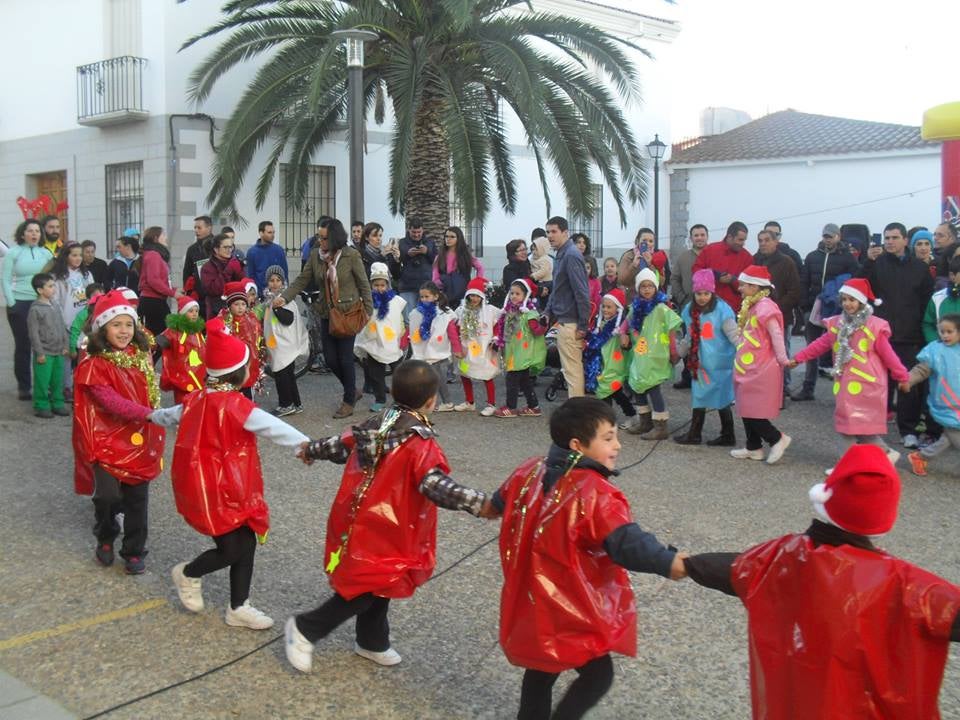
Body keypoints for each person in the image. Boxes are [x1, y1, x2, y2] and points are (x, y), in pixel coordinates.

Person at [684, 443, 960, 720]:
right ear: (885, 519)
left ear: (826, 500)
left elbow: (733, 569)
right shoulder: (909, 585)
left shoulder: (782, 558)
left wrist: (683, 563)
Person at [484, 397, 686, 720]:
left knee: (541, 668)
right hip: (572, 607)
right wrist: (667, 561)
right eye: (608, 438)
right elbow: (626, 541)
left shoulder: (530, 470)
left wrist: (482, 506)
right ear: (577, 445)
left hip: (534, 601)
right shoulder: (594, 492)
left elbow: (497, 500)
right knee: (597, 675)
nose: (618, 445)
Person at [283, 360, 489, 673]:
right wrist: (479, 503)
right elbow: (435, 485)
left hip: (362, 516)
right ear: (431, 401)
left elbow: (342, 444)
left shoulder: (380, 421)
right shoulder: (420, 443)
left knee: (382, 581)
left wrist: (312, 449)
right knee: (366, 586)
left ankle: (372, 640)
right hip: (385, 527)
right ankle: (306, 628)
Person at [151, 318, 309, 630]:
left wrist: (149, 416)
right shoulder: (235, 403)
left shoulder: (195, 398)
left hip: (213, 487)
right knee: (232, 547)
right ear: (239, 372)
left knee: (245, 543)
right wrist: (307, 445)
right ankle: (188, 573)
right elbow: (272, 426)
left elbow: (171, 415)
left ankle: (238, 606)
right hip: (220, 490)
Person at [72, 290, 167, 574]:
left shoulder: (141, 357)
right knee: (108, 497)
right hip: (106, 440)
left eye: (128, 324)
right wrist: (150, 414)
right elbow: (110, 401)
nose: (124, 331)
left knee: (138, 500)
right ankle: (105, 533)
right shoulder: (94, 363)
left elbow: (150, 392)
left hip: (138, 439)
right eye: (116, 325)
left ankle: (134, 550)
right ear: (103, 327)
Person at [790, 279, 907, 472]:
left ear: (862, 302)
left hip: (868, 383)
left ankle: (848, 465)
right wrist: (800, 357)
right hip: (847, 381)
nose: (847, 304)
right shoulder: (838, 323)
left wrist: (902, 376)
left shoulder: (874, 326)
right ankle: (885, 454)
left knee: (854, 425)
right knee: (852, 424)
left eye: (852, 299)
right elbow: (821, 344)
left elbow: (889, 355)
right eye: (844, 299)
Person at [280, 218, 373, 419]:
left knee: (345, 358)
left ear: (334, 238)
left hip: (348, 312)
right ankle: (352, 389)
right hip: (326, 313)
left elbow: (364, 284)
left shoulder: (351, 255)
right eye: (319, 237)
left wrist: (368, 310)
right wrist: (284, 297)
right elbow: (301, 280)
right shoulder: (315, 256)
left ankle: (348, 400)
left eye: (324, 238)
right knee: (330, 359)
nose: (320, 241)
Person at [859, 221, 936, 449]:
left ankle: (908, 430)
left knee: (907, 386)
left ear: (905, 240)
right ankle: (872, 428)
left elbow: (926, 302)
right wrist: (867, 262)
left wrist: (922, 332)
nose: (890, 242)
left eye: (894, 238)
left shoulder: (920, 268)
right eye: (887, 238)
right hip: (881, 335)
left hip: (910, 336)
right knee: (878, 383)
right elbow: (858, 288)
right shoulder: (877, 263)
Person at [730, 265, 792, 464]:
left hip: (761, 366)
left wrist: (783, 359)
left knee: (753, 408)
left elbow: (776, 335)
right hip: (747, 366)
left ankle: (776, 438)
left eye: (743, 285)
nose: (739, 288)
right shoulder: (751, 305)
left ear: (755, 286)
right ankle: (753, 447)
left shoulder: (766, 308)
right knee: (745, 406)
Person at [791, 223, 860, 401]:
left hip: (838, 310)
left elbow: (855, 281)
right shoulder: (813, 257)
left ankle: (847, 390)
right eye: (825, 236)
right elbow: (803, 281)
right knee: (812, 348)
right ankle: (808, 388)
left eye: (831, 236)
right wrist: (805, 304)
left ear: (838, 236)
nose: (828, 239)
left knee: (843, 349)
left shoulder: (848, 258)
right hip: (814, 309)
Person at [674, 270, 739, 446]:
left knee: (722, 398)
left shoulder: (722, 311)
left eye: (706, 293)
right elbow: (688, 337)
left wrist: (744, 354)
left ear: (712, 292)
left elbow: (734, 336)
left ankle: (726, 434)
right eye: (699, 294)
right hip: (700, 363)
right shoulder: (690, 310)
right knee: (699, 396)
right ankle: (696, 433)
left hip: (720, 363)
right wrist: (678, 355)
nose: (702, 297)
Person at [622, 268, 682, 439]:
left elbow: (671, 331)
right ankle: (645, 421)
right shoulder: (636, 307)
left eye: (650, 286)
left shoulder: (662, 309)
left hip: (656, 356)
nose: (647, 289)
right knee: (638, 387)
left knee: (653, 388)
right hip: (640, 356)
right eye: (643, 286)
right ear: (638, 289)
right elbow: (626, 324)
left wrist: (673, 351)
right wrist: (622, 334)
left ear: (656, 288)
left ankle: (661, 426)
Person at [904, 314, 960, 477]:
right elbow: (921, 370)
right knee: (954, 434)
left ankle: (920, 457)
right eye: (942, 332)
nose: (945, 335)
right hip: (946, 402)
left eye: (950, 332)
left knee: (950, 437)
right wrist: (908, 380)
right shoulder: (934, 351)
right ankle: (920, 456)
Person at [4, 220, 54, 398]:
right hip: (20, 303)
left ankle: (44, 386)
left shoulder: (46, 254)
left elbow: (52, 279)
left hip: (42, 303)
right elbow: (5, 280)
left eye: (37, 231)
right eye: (30, 231)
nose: (34, 234)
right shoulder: (13, 253)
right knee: (24, 345)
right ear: (22, 234)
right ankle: (24, 387)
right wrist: (12, 304)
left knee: (44, 345)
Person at [544, 216, 591, 397]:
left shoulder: (571, 255)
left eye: (554, 231)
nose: (550, 236)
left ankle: (577, 415)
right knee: (570, 371)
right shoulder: (561, 254)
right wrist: (548, 311)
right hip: (564, 322)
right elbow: (557, 288)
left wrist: (583, 325)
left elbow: (582, 293)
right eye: (548, 232)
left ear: (565, 232)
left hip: (571, 324)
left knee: (573, 372)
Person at [752, 228, 801, 394]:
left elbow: (794, 291)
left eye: (767, 240)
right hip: (756, 317)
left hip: (781, 316)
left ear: (775, 242)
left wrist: (774, 309)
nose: (763, 243)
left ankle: (783, 385)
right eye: (760, 240)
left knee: (782, 350)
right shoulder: (755, 261)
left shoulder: (787, 262)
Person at [354, 263, 407, 412]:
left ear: (388, 285)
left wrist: (402, 334)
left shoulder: (396, 301)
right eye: (376, 285)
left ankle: (401, 399)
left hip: (392, 343)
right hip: (374, 343)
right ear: (371, 285)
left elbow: (399, 319)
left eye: (382, 285)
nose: (379, 288)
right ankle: (380, 398)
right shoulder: (367, 301)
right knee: (376, 374)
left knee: (398, 373)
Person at [493, 278, 547, 417]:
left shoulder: (528, 314)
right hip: (513, 353)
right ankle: (534, 406)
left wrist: (543, 324)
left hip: (522, 354)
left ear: (526, 296)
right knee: (524, 381)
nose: (514, 296)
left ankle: (511, 407)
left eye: (518, 294)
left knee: (511, 380)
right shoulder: (510, 312)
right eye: (512, 293)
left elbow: (537, 331)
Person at [584, 288, 636, 428]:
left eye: (609, 307)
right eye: (604, 306)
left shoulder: (620, 326)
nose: (605, 310)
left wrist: (624, 340)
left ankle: (628, 415)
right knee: (606, 392)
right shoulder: (600, 323)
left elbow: (627, 343)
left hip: (615, 364)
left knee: (613, 392)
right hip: (602, 364)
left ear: (617, 308)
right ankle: (608, 419)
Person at [50, 241, 94, 401]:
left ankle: (83, 385)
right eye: (74, 255)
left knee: (84, 355)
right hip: (66, 322)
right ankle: (66, 387)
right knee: (68, 356)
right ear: (65, 256)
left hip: (85, 323)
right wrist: (60, 322)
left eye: (80, 255)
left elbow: (93, 296)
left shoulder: (87, 275)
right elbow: (55, 301)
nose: (78, 258)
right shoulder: (58, 277)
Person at [408, 281, 459, 412]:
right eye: (422, 297)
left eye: (427, 296)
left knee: (437, 377)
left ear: (436, 296)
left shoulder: (443, 313)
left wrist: (456, 348)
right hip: (422, 350)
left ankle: (447, 402)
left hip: (434, 350)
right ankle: (425, 401)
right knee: (424, 377)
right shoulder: (416, 313)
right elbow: (411, 329)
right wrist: (404, 342)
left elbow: (451, 331)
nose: (424, 299)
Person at [263, 266, 308, 416]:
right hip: (278, 344)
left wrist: (277, 308)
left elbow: (288, 319)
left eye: (278, 280)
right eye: (271, 280)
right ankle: (296, 403)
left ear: (283, 282)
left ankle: (286, 404)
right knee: (288, 375)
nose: (275, 283)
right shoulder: (270, 299)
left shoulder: (285, 299)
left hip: (284, 344)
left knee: (282, 375)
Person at [454, 277, 501, 416]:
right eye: (471, 295)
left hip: (484, 347)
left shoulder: (490, 311)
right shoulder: (462, 310)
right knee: (464, 373)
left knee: (487, 374)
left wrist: (496, 338)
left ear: (482, 296)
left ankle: (491, 404)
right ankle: (469, 402)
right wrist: (457, 344)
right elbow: (456, 327)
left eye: (477, 295)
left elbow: (497, 325)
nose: (474, 298)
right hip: (466, 348)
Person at [27, 273, 71, 419]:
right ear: (40, 290)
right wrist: (39, 353)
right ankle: (41, 405)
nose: (54, 289)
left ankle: (57, 403)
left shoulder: (55, 305)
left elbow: (62, 325)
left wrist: (65, 344)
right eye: (50, 286)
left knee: (57, 379)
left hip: (58, 351)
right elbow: (33, 334)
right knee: (42, 381)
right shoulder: (35, 309)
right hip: (44, 353)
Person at [691, 221, 753, 312]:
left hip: (734, 310)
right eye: (740, 240)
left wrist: (733, 280)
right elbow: (696, 271)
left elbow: (750, 285)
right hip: (708, 308)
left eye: (744, 240)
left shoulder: (747, 258)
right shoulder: (710, 250)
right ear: (730, 237)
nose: (743, 243)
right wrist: (715, 277)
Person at [155, 296, 207, 404]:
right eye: (190, 311)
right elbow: (161, 340)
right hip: (182, 377)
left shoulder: (197, 332)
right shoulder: (175, 331)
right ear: (182, 313)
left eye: (196, 311)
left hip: (199, 373)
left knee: (197, 404)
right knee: (182, 405)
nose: (194, 314)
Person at [218, 281, 263, 400]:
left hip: (248, 366)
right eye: (236, 304)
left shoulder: (251, 319)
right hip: (232, 368)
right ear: (229, 305)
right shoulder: (224, 322)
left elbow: (256, 340)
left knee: (248, 397)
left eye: (243, 304)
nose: (240, 307)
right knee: (232, 397)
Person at [137, 226, 179, 338]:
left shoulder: (153, 254)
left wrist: (173, 290)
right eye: (163, 235)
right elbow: (153, 280)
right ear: (156, 238)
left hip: (156, 300)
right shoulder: (153, 255)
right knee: (162, 335)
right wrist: (173, 293)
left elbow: (160, 280)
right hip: (153, 301)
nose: (166, 237)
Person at [432, 225, 484, 309]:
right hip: (445, 296)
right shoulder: (439, 257)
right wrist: (446, 283)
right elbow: (435, 278)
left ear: (458, 238)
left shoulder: (466, 255)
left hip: (463, 296)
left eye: (452, 237)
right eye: (446, 236)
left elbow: (480, 268)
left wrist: (476, 283)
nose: (448, 239)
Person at [396, 217, 437, 320]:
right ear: (409, 230)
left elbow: (436, 260)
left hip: (426, 287)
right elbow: (396, 261)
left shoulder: (430, 242)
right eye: (414, 232)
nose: (416, 235)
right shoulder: (402, 243)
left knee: (426, 319)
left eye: (419, 232)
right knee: (408, 320)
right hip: (407, 286)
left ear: (423, 230)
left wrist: (427, 252)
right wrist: (407, 254)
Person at [617, 227, 670, 301]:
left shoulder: (658, 257)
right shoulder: (629, 256)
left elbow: (661, 282)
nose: (648, 243)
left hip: (652, 301)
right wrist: (633, 265)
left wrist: (650, 265)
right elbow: (621, 280)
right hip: (632, 301)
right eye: (644, 240)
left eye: (651, 241)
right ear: (637, 241)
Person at [200, 233, 244, 319]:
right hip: (216, 313)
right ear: (216, 249)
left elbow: (243, 285)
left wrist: (239, 269)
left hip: (237, 311)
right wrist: (228, 270)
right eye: (225, 247)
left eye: (231, 247)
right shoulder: (207, 267)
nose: (229, 250)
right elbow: (213, 290)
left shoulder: (234, 262)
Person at [670, 224, 709, 315]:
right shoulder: (683, 257)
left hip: (711, 307)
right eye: (696, 235)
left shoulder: (714, 255)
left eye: (702, 235)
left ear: (707, 237)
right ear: (691, 238)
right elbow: (674, 279)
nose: (699, 238)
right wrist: (682, 298)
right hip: (689, 307)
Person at [922, 257, 960, 343]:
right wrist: (936, 344)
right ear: (952, 275)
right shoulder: (938, 298)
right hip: (944, 351)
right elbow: (928, 324)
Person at [245, 220, 288, 296]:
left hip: (278, 295)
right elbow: (250, 276)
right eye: (269, 232)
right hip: (260, 295)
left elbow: (285, 274)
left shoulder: (279, 250)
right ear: (261, 233)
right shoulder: (252, 252)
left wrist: (286, 294)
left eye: (273, 232)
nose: (272, 235)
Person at [182, 216, 215, 305]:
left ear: (209, 228)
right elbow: (186, 273)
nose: (196, 231)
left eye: (199, 228)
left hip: (216, 295)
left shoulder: (218, 245)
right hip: (198, 297)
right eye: (195, 228)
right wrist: (189, 292)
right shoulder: (192, 249)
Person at [69, 283, 104, 360]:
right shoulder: (83, 314)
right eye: (96, 295)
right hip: (84, 349)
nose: (100, 297)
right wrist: (72, 349)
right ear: (88, 299)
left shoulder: (105, 312)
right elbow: (75, 331)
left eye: (102, 294)